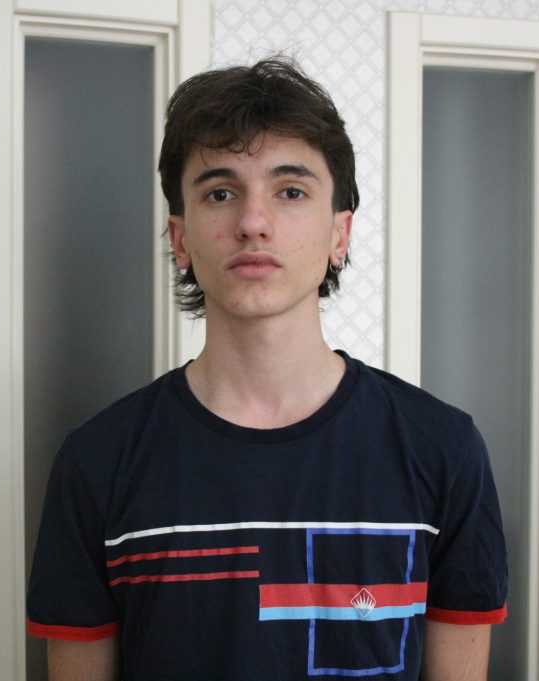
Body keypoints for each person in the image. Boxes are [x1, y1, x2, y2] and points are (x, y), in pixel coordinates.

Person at [26, 56, 507, 681]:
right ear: (180, 238)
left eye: (291, 191)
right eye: (221, 193)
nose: (253, 223)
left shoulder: (442, 449)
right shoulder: (97, 462)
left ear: (340, 235)